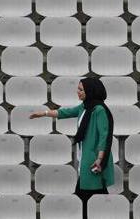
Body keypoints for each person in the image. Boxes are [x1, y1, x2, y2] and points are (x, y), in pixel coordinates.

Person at [29, 77, 115, 219]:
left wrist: (100, 158)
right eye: (78, 89)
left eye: (81, 89)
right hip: (86, 156)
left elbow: (104, 136)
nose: (78, 92)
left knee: (88, 195)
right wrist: (44, 113)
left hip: (93, 158)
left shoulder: (99, 110)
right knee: (94, 195)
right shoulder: (84, 107)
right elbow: (65, 112)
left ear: (90, 91)